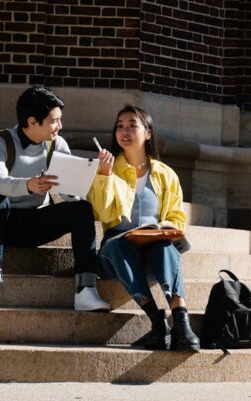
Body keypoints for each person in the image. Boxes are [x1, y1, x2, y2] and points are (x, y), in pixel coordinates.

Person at [0, 85, 110, 312]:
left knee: (81, 209)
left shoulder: (57, 145)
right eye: (54, 121)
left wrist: (96, 175)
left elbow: (70, 194)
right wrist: (27, 185)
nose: (60, 126)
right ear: (32, 121)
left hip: (33, 224)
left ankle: (86, 290)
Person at [87, 105, 200, 352]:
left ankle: (181, 322)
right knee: (117, 244)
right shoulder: (109, 169)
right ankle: (158, 322)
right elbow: (103, 214)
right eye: (120, 126)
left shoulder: (165, 174)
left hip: (151, 253)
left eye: (132, 125)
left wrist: (163, 228)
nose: (124, 131)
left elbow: (176, 217)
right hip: (115, 258)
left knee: (164, 245)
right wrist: (104, 176)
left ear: (148, 133)